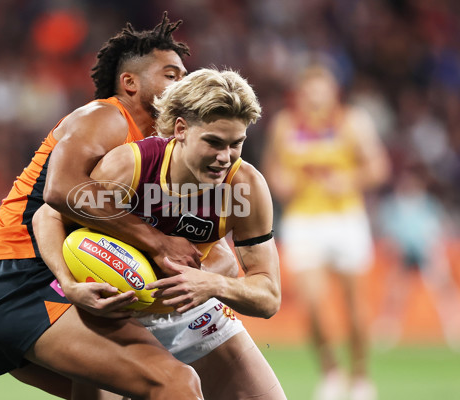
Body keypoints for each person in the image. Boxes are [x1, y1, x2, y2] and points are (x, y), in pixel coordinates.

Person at [0, 14, 210, 400]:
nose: (184, 84)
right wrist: (158, 243)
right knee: (176, 382)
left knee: (117, 395)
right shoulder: (106, 116)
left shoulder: (155, 152)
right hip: (18, 278)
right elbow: (61, 191)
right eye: (172, 75)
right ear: (130, 83)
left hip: (27, 285)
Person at [34, 68, 287, 400]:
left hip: (192, 312)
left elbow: (268, 296)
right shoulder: (131, 166)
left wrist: (214, 284)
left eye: (235, 144)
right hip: (116, 316)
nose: (224, 158)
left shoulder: (245, 187)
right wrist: (68, 283)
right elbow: (48, 216)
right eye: (213, 142)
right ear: (180, 129)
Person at [262, 64, 391, 400]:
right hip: (304, 221)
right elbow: (272, 167)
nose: (316, 99)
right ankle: (331, 372)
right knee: (313, 303)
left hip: (345, 218)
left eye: (323, 91)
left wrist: (349, 180)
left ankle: (361, 378)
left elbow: (378, 167)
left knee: (355, 308)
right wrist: (280, 182)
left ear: (334, 92)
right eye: (310, 92)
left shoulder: (352, 122)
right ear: (301, 94)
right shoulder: (285, 125)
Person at [372, 162, 460, 351]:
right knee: (395, 293)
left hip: (426, 252)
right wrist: (394, 247)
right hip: (404, 253)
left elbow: (439, 229)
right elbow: (388, 233)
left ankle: (454, 329)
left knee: (444, 290)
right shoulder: (393, 206)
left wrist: (435, 252)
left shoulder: (428, 204)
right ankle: (387, 330)